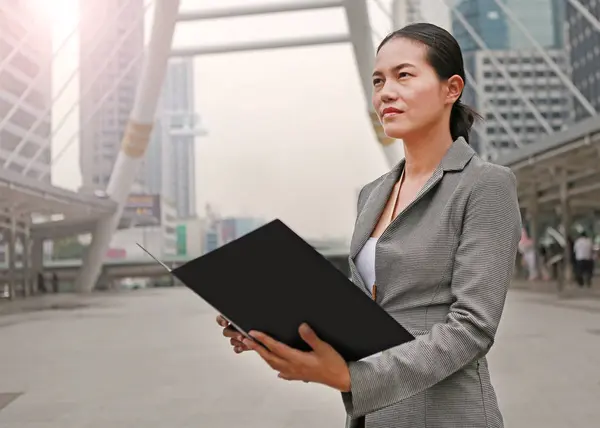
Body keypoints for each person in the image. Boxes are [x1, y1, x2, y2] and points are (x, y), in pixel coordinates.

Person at [217, 22, 521, 428]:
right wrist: (271, 326)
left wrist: (351, 378)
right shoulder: (372, 193)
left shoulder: (485, 185)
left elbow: (473, 328)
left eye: (404, 76)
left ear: (452, 89)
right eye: (378, 80)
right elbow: (358, 314)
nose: (385, 93)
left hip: (447, 414)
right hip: (372, 416)